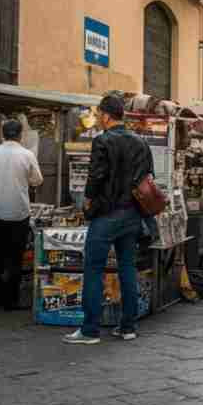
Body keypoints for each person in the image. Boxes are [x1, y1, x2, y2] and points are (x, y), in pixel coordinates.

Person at [64, 94, 152, 344]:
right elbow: (147, 177)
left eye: (99, 115)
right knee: (127, 267)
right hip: (132, 213)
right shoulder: (140, 142)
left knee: (93, 269)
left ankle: (90, 330)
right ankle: (128, 327)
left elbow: (96, 175)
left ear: (105, 115)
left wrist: (88, 199)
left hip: (107, 214)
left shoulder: (103, 141)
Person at [0, 119, 43, 310]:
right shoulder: (27, 155)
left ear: (2, 134)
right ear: (20, 135)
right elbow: (37, 181)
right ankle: (11, 300)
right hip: (19, 213)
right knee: (16, 256)